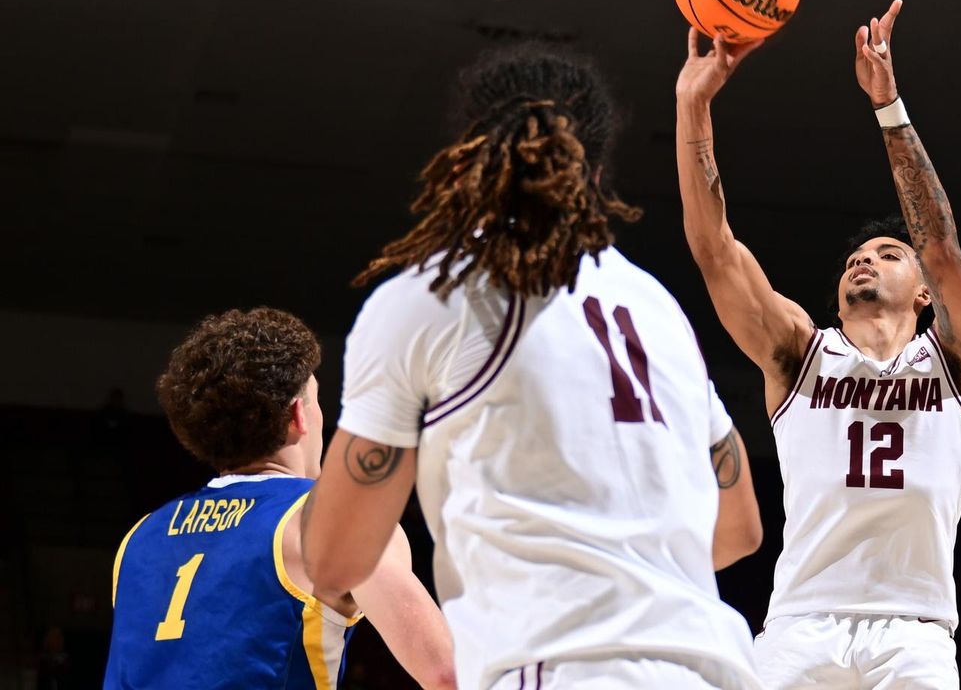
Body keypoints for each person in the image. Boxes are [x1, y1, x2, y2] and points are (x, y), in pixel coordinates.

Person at [300, 44, 765, 690]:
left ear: (468, 158)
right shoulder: (657, 307)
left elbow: (334, 562)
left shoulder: (433, 295)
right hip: (713, 670)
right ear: (596, 173)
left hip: (560, 669)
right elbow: (739, 528)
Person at [673, 0, 961, 688]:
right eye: (857, 256)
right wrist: (693, 107)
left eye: (887, 253)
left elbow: (941, 247)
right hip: (801, 625)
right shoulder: (800, 353)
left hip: (914, 631)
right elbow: (715, 251)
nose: (864, 260)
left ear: (923, 293)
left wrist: (888, 108)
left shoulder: (959, 362)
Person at [103, 307, 456, 690]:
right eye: (317, 400)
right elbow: (447, 674)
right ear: (298, 414)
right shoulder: (330, 519)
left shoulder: (140, 536)